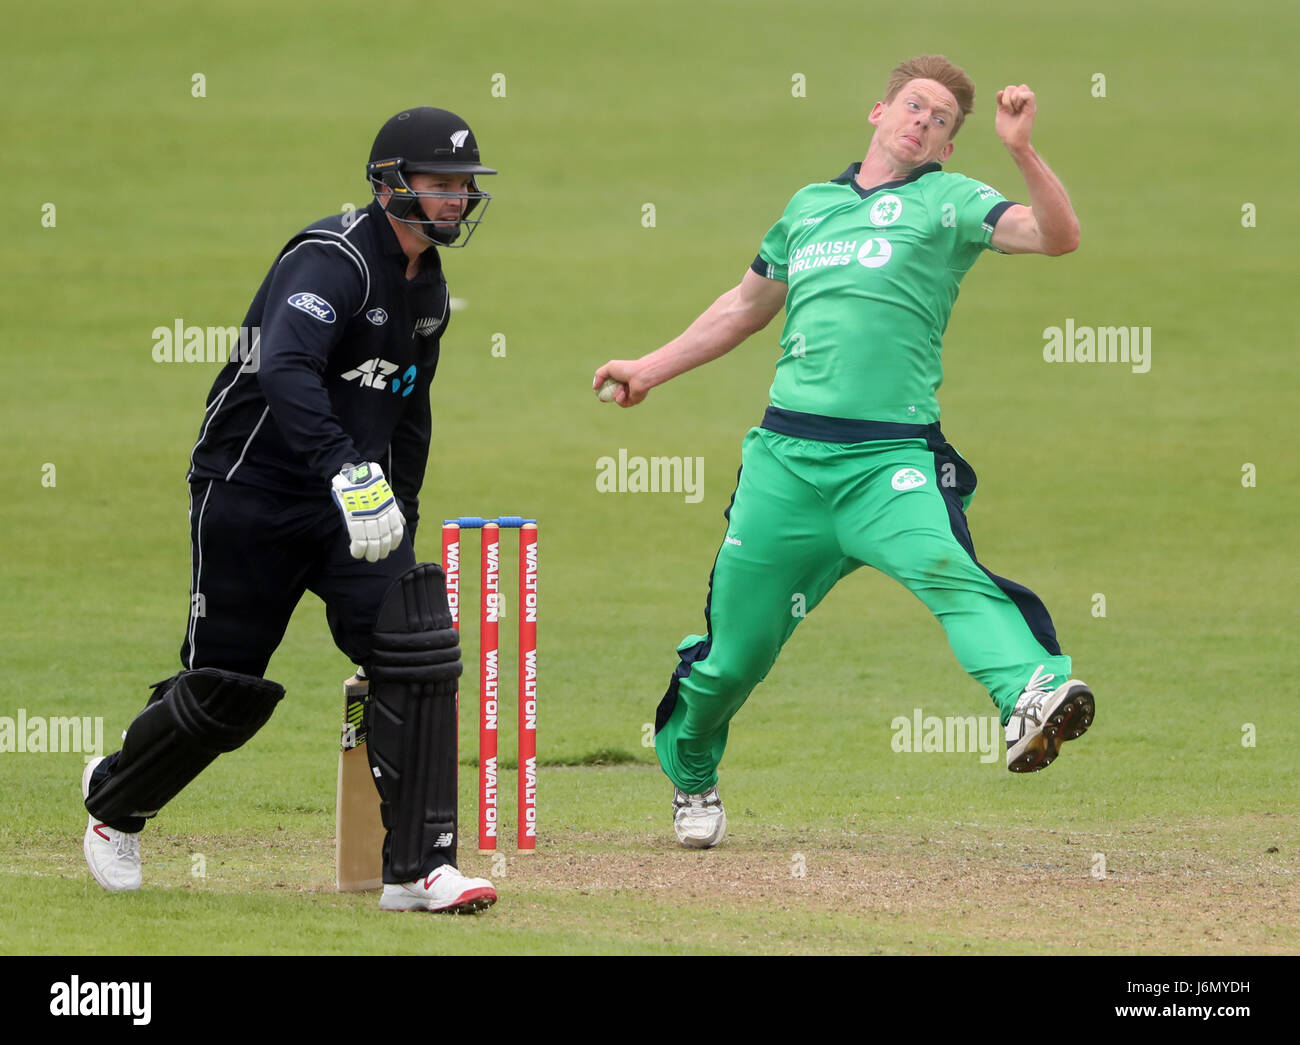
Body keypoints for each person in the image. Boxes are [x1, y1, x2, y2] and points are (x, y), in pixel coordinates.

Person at [593, 55, 1095, 849]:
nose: (923, 122)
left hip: (887, 462)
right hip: (785, 466)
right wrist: (647, 369)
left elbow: (1058, 238)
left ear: (949, 148)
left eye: (941, 121)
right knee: (734, 657)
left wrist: (1023, 151)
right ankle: (690, 766)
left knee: (949, 570)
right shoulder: (809, 208)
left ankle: (1031, 692)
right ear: (878, 112)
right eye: (914, 107)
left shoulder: (950, 203)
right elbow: (744, 306)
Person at [82, 106, 499, 912]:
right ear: (390, 185)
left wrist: (395, 504)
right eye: (441, 184)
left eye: (464, 187)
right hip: (252, 492)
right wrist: (343, 467)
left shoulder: (429, 288)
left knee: (416, 644)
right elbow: (287, 367)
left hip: (353, 506)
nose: (456, 199)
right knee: (223, 691)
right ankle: (114, 803)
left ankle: (418, 868)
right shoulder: (330, 256)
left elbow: (409, 406)